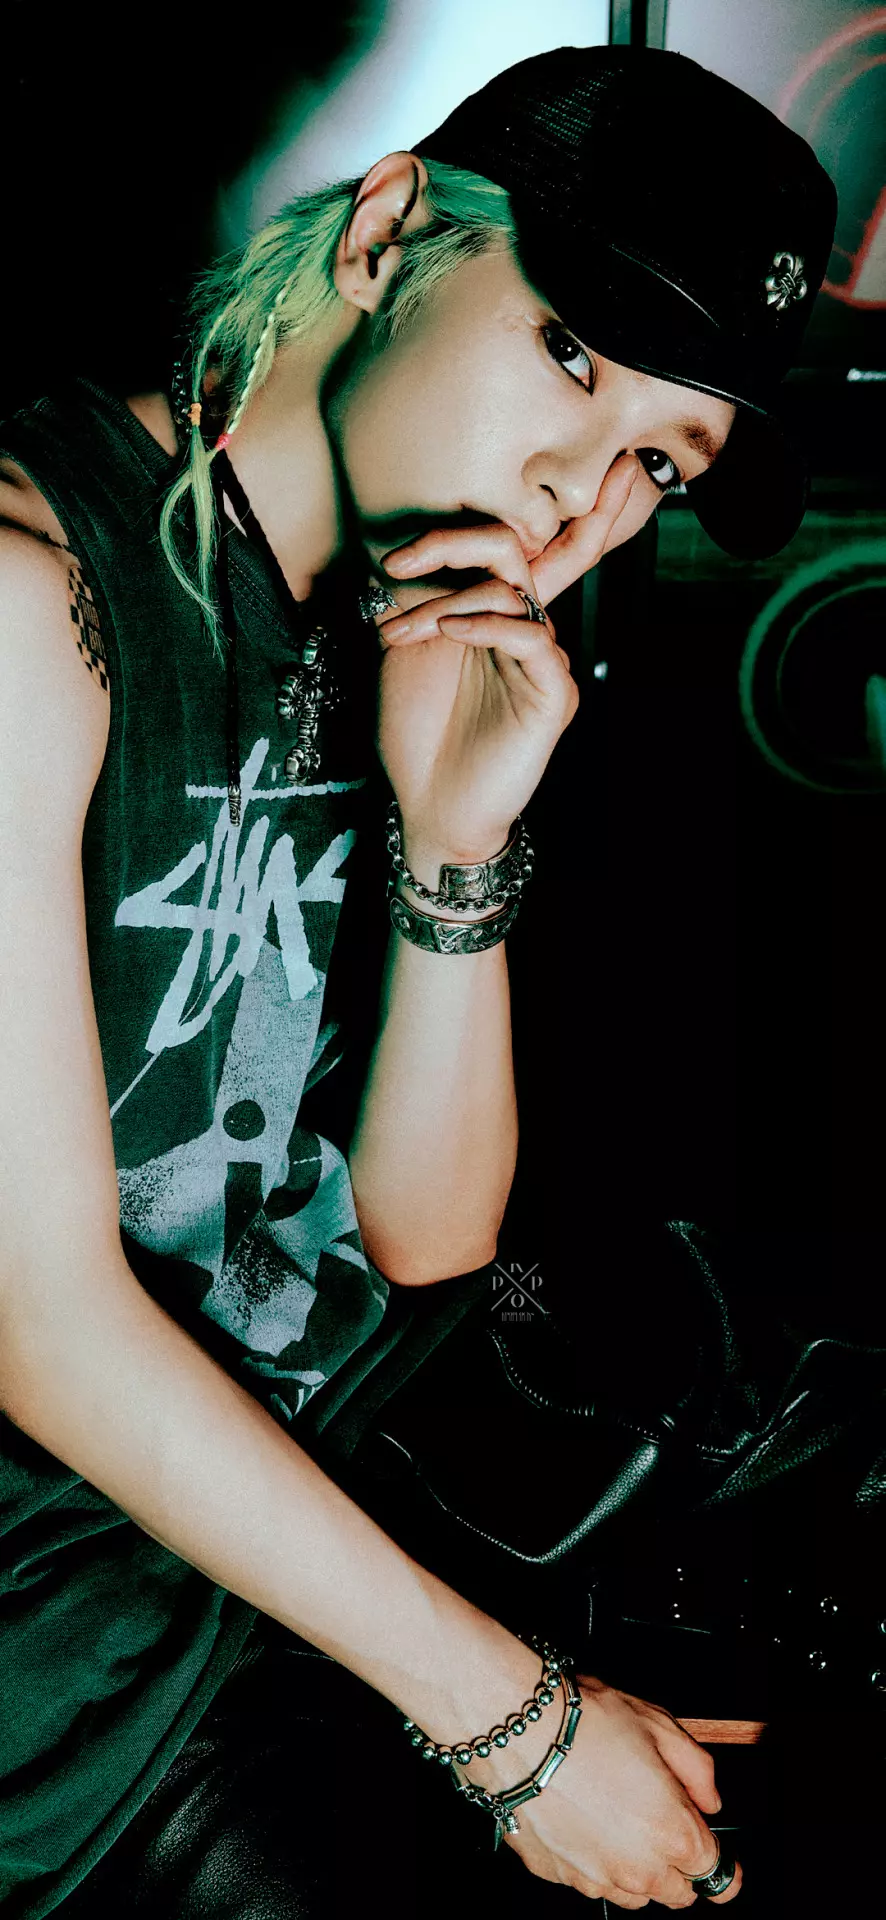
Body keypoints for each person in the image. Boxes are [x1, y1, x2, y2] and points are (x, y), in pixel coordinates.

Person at [0, 43, 835, 1919]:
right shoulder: (28, 608)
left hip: (300, 1529)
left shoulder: (384, 630)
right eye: (574, 353)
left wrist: (456, 850)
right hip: (70, 1670)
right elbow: (36, 1320)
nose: (579, 491)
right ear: (384, 234)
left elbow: (421, 1237)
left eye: (660, 459)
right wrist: (511, 1727)